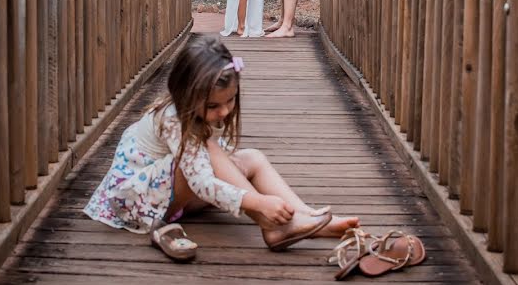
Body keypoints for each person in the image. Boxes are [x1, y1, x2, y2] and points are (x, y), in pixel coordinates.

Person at [83, 35, 360, 257]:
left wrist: (237, 170)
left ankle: (303, 215)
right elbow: (202, 181)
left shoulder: (196, 115)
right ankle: (274, 225)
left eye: (230, 101)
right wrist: (258, 202)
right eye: (214, 106)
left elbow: (219, 163)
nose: (225, 111)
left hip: (166, 193)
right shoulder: (171, 120)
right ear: (186, 95)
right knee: (208, 150)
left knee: (251, 157)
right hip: (137, 203)